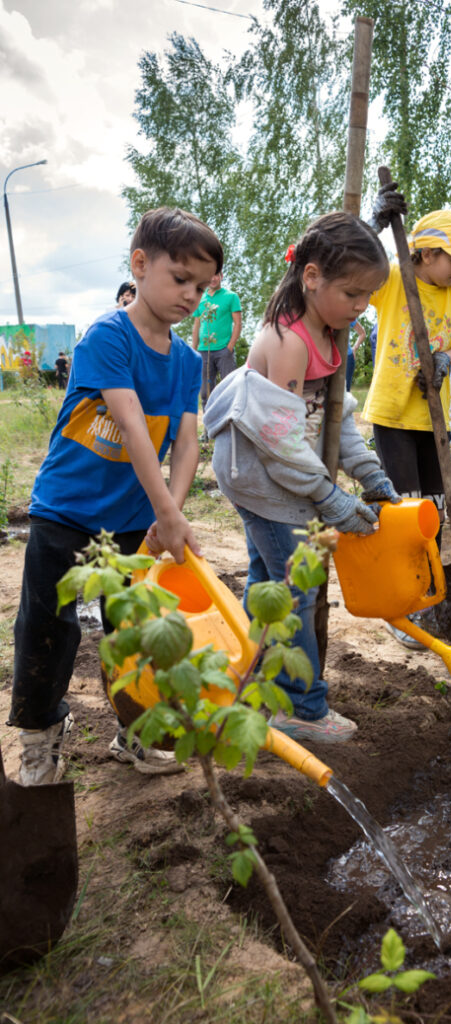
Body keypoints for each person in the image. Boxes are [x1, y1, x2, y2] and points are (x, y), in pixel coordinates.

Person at [9, 207, 223, 786]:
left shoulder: (185, 359)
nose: (191, 296)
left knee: (135, 630)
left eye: (202, 287)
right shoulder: (108, 336)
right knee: (49, 625)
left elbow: (186, 440)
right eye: (181, 280)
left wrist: (167, 516)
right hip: (67, 510)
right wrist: (168, 513)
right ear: (139, 264)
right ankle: (39, 740)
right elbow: (130, 426)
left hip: (135, 521)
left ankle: (135, 730)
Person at [204, 211, 400, 744]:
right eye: (353, 293)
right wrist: (330, 497)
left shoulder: (333, 333)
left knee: (270, 582)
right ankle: (302, 708)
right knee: (299, 591)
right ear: (311, 277)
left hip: (284, 468)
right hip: (262, 476)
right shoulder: (289, 340)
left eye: (368, 297)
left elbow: (336, 418)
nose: (361, 306)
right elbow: (282, 442)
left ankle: (253, 680)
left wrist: (370, 475)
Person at [362, 207, 451, 647]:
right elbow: (356, 263)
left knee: (433, 508)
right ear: (428, 253)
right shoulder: (394, 277)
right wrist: (375, 225)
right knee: (404, 511)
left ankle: (432, 589)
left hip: (433, 416)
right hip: (393, 412)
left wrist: (443, 359)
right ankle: (404, 604)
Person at [192, 270, 242, 410]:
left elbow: (238, 323)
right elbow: (196, 325)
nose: (213, 278)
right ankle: (208, 430)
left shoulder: (231, 297)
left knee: (230, 389)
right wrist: (194, 349)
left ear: (221, 276)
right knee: (205, 392)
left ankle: (230, 427)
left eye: (216, 275)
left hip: (223, 351)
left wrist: (230, 348)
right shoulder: (200, 298)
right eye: (210, 275)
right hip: (203, 351)